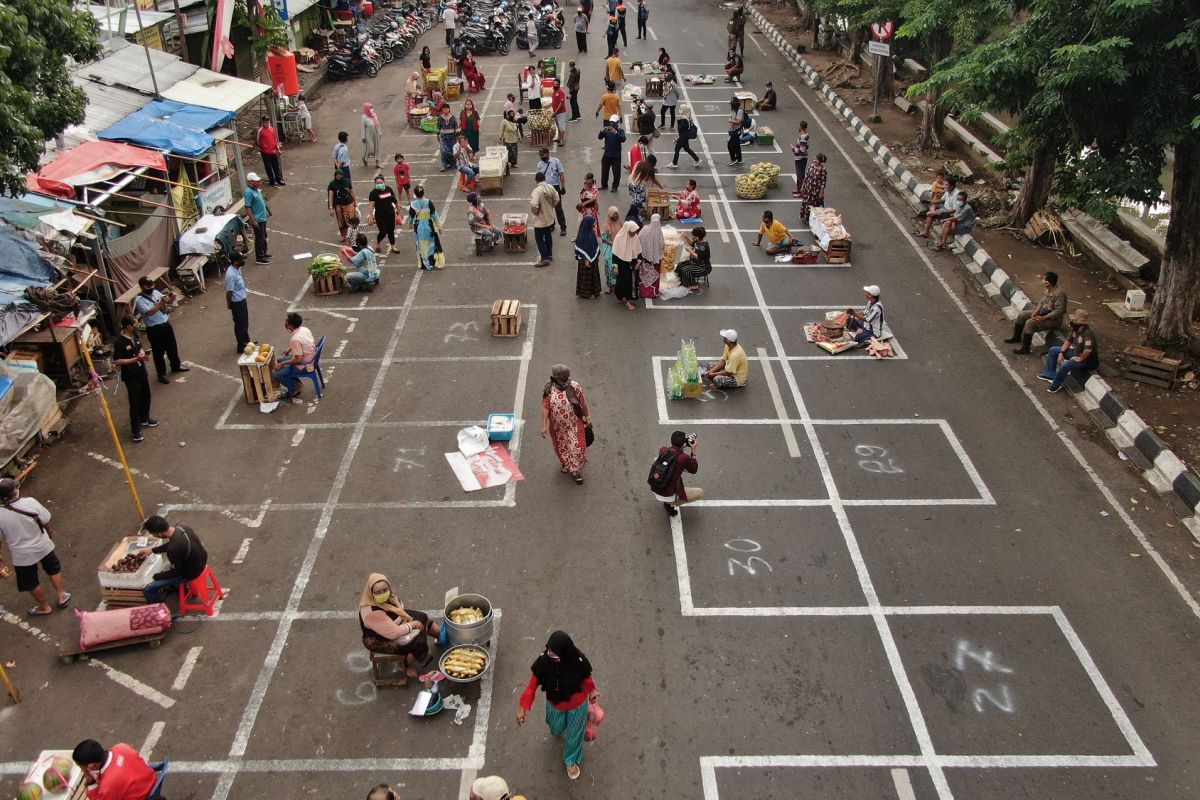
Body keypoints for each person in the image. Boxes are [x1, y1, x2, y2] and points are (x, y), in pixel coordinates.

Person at [516, 631, 601, 780]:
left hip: (578, 706)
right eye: (549, 651)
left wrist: (592, 692)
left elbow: (587, 679)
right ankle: (575, 729)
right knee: (556, 728)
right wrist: (522, 708)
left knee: (575, 735)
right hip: (555, 706)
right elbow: (531, 687)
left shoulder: (578, 660)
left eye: (555, 653)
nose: (551, 655)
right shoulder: (543, 662)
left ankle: (571, 761)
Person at [0, 477, 70, 617]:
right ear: (15, 491)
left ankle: (44, 606)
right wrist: (49, 534)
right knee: (53, 568)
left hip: (22, 554)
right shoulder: (30, 502)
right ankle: (62, 595)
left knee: (30, 581)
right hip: (42, 544)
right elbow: (45, 521)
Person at [359, 573, 440, 677]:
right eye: (378, 592)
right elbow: (393, 633)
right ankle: (404, 665)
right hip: (379, 638)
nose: (383, 593)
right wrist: (412, 625)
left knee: (423, 617)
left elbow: (399, 610)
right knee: (417, 642)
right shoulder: (372, 613)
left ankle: (440, 636)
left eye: (385, 590)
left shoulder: (389, 597)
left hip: (395, 620)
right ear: (371, 593)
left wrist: (409, 622)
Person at [139, 514, 208, 605]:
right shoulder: (182, 527)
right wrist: (152, 550)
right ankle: (177, 588)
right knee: (168, 567)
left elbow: (177, 572)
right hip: (201, 560)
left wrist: (156, 576)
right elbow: (173, 544)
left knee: (149, 588)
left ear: (159, 533)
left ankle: (161, 611)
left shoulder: (173, 549)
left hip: (192, 573)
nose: (153, 535)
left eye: (152, 534)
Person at [541, 365, 591, 482]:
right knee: (561, 447)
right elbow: (545, 407)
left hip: (575, 424)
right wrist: (544, 425)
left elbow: (582, 403)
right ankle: (567, 465)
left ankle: (574, 469)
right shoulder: (549, 389)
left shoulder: (575, 387)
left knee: (578, 447)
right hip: (557, 428)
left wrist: (587, 416)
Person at [133, 277, 188, 384]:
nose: (151, 287)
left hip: (165, 324)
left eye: (152, 285)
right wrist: (162, 303)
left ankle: (176, 366)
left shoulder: (156, 292)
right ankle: (161, 374)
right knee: (158, 352)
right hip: (154, 329)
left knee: (172, 346)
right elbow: (149, 312)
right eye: (148, 286)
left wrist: (171, 298)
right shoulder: (139, 300)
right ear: (142, 287)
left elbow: (165, 301)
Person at [113, 315, 156, 443]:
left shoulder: (135, 336)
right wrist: (136, 359)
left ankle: (145, 418)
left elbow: (140, 347)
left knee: (146, 396)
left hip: (141, 371)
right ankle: (135, 430)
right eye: (135, 324)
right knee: (135, 402)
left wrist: (143, 354)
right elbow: (117, 361)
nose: (138, 325)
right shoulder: (120, 342)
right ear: (128, 327)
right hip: (131, 376)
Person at [72, 739, 156, 800]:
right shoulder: (121, 747)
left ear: (91, 766)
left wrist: (91, 783)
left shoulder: (109, 784)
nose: (83, 772)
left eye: (82, 768)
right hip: (153, 788)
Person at [1006, 272, 1067, 354]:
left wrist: (1043, 318)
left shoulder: (1059, 294)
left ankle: (1025, 348)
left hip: (1053, 319)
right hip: (1043, 313)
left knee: (1030, 323)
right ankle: (1017, 337)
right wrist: (1036, 311)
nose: (1042, 282)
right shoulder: (1047, 290)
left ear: (1048, 283)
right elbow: (1041, 302)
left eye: (1044, 280)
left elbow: (1059, 311)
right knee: (1022, 315)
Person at [1039, 309, 1099, 394]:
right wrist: (1062, 353)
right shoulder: (1074, 330)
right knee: (1053, 350)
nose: (1071, 322)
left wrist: (1080, 359)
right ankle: (1049, 374)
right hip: (1078, 353)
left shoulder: (1088, 333)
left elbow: (1088, 350)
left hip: (1088, 359)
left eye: (1074, 321)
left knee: (1067, 365)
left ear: (1079, 323)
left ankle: (1056, 385)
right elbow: (1068, 342)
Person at [650, 430, 702, 515]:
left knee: (673, 475)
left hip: (655, 488)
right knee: (700, 492)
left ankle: (668, 504)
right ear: (684, 445)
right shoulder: (683, 458)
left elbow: (673, 454)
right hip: (669, 496)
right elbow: (693, 470)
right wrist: (693, 451)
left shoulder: (662, 450)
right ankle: (670, 504)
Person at [271, 312, 318, 398]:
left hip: (305, 364)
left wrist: (282, 364)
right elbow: (302, 343)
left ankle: (295, 387)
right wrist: (289, 348)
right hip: (310, 356)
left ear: (290, 326)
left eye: (287, 321)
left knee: (276, 373)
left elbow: (298, 360)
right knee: (280, 359)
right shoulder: (304, 329)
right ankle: (297, 383)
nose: (285, 322)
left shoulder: (295, 339)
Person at [408, 186, 442, 271]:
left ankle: (423, 263)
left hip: (418, 227)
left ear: (415, 194)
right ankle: (431, 261)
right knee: (430, 243)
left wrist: (410, 224)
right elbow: (434, 215)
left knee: (420, 244)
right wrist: (439, 227)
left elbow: (411, 217)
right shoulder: (429, 202)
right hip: (429, 226)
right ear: (423, 193)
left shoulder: (413, 204)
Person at [536, 148, 569, 236]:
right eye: (540, 155)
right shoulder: (539, 165)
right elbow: (538, 179)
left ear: (547, 154)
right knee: (547, 208)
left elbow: (561, 174)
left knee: (558, 208)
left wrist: (563, 187)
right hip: (545, 188)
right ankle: (551, 224)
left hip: (555, 188)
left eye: (543, 155)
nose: (541, 157)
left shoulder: (555, 162)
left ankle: (563, 227)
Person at [530, 173, 560, 267]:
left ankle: (544, 258)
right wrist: (551, 207)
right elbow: (557, 199)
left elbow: (534, 204)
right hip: (549, 218)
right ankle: (549, 254)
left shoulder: (536, 191)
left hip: (540, 220)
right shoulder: (550, 187)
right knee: (548, 236)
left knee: (539, 239)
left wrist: (535, 211)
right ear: (544, 179)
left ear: (536, 180)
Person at [611, 219, 642, 310]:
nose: (634, 233)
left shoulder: (634, 238)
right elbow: (615, 253)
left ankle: (628, 300)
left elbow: (638, 252)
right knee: (621, 282)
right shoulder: (619, 238)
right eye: (633, 231)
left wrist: (639, 262)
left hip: (632, 265)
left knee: (630, 283)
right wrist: (615, 266)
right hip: (622, 265)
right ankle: (620, 296)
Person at [226, 252, 251, 355]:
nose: (243, 261)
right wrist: (229, 304)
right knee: (240, 324)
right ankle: (241, 345)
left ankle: (247, 341)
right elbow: (229, 292)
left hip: (242, 300)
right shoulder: (231, 275)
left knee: (245, 322)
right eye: (241, 259)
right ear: (235, 262)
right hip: (237, 303)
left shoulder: (237, 268)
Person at [367, 174, 399, 254]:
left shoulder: (389, 189)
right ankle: (378, 242)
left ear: (384, 182)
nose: (379, 184)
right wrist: (371, 217)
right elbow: (371, 205)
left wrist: (398, 209)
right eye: (377, 183)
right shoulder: (373, 193)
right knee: (383, 231)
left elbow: (394, 200)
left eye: (381, 182)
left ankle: (393, 246)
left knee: (391, 231)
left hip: (390, 214)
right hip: (380, 215)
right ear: (375, 183)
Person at [243, 172, 270, 264]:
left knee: (264, 236)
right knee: (260, 238)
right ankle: (260, 257)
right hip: (257, 219)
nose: (259, 182)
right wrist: (253, 220)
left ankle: (264, 252)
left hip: (263, 218)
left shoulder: (256, 190)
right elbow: (248, 208)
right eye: (257, 181)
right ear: (251, 182)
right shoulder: (248, 192)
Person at [638, 213, 665, 298]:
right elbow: (662, 245)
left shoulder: (645, 229)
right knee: (654, 276)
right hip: (656, 260)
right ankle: (653, 292)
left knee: (644, 275)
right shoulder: (659, 232)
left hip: (645, 258)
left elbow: (639, 239)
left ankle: (643, 292)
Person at [575, 215, 602, 299]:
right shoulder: (581, 236)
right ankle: (587, 293)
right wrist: (586, 259)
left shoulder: (591, 233)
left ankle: (595, 291)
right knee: (587, 277)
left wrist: (596, 256)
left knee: (593, 276)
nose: (594, 225)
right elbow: (580, 248)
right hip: (585, 261)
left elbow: (595, 245)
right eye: (593, 223)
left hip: (593, 260)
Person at [597, 114, 626, 191]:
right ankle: (604, 185)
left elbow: (623, 139)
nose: (611, 124)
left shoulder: (620, 131)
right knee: (604, 171)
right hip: (607, 154)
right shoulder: (607, 130)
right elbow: (599, 137)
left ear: (617, 122)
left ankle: (615, 186)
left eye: (613, 122)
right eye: (611, 122)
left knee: (616, 173)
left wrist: (615, 133)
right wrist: (602, 131)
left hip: (616, 156)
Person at [255, 116, 285, 186]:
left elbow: (275, 139)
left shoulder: (272, 129)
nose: (267, 124)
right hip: (265, 152)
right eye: (266, 123)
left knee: (276, 166)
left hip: (273, 151)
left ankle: (278, 179)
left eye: (268, 122)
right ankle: (272, 181)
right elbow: (257, 141)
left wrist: (278, 149)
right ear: (263, 123)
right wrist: (263, 147)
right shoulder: (260, 131)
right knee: (268, 167)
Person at [798, 153, 828, 221]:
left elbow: (823, 182)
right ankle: (803, 216)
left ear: (819, 161)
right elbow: (806, 177)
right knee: (805, 202)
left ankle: (808, 218)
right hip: (808, 188)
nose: (814, 160)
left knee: (812, 205)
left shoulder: (823, 170)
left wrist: (821, 192)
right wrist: (803, 186)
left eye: (816, 159)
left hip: (815, 191)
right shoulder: (811, 166)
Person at [601, 206, 621, 292]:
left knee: (618, 267)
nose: (616, 216)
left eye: (617, 214)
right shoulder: (607, 225)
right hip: (609, 249)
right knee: (609, 267)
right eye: (614, 214)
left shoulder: (620, 223)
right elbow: (605, 239)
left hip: (619, 248)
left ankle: (617, 285)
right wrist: (614, 244)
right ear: (610, 215)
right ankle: (609, 286)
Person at [437, 105, 460, 172]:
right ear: (442, 110)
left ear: (449, 109)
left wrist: (457, 136)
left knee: (453, 150)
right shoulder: (440, 118)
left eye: (446, 109)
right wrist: (438, 136)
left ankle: (453, 164)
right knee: (444, 151)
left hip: (452, 137)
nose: (445, 110)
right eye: (444, 109)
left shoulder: (453, 118)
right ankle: (444, 165)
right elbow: (438, 128)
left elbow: (456, 127)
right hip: (443, 137)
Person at [791, 122, 810, 197]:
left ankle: (802, 192)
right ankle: (799, 189)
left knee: (800, 175)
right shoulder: (805, 135)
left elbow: (802, 150)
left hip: (801, 158)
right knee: (799, 174)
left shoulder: (803, 137)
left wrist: (793, 149)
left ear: (801, 127)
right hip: (799, 157)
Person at [360, 103, 382, 169]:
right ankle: (364, 158)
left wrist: (380, 132)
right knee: (370, 148)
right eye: (370, 108)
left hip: (376, 133)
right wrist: (363, 137)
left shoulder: (374, 115)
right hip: (368, 134)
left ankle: (377, 163)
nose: (371, 109)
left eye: (372, 108)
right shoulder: (364, 117)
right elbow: (362, 127)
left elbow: (378, 124)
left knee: (377, 147)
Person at [727, 97, 745, 166]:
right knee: (737, 145)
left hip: (737, 131)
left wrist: (731, 121)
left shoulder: (740, 111)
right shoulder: (733, 110)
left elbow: (738, 121)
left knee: (730, 145)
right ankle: (739, 159)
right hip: (733, 129)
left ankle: (733, 159)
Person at [551, 79, 568, 145]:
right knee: (558, 126)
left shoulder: (560, 92)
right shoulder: (554, 92)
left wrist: (555, 113)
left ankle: (561, 140)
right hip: (555, 112)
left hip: (560, 113)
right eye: (554, 84)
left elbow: (561, 104)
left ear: (559, 85)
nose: (555, 85)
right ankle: (559, 138)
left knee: (561, 127)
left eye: (556, 84)